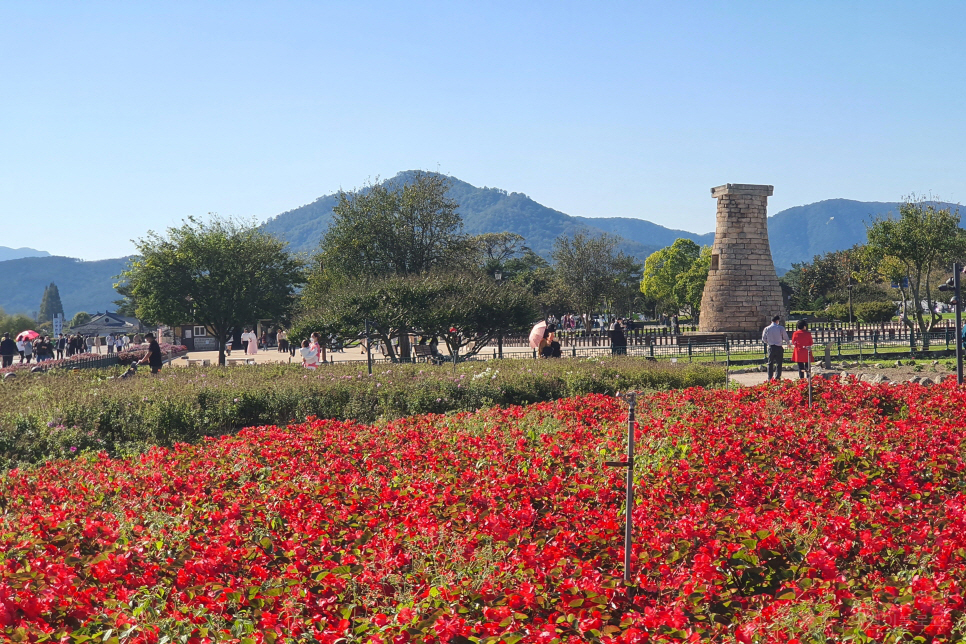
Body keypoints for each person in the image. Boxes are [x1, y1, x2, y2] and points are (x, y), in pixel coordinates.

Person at [762, 314, 789, 381]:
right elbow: (785, 337)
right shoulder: (780, 328)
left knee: (770, 363)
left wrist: (768, 342)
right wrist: (788, 343)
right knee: (779, 363)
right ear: (777, 321)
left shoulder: (767, 328)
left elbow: (764, 339)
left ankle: (770, 378)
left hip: (771, 347)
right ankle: (777, 377)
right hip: (778, 347)